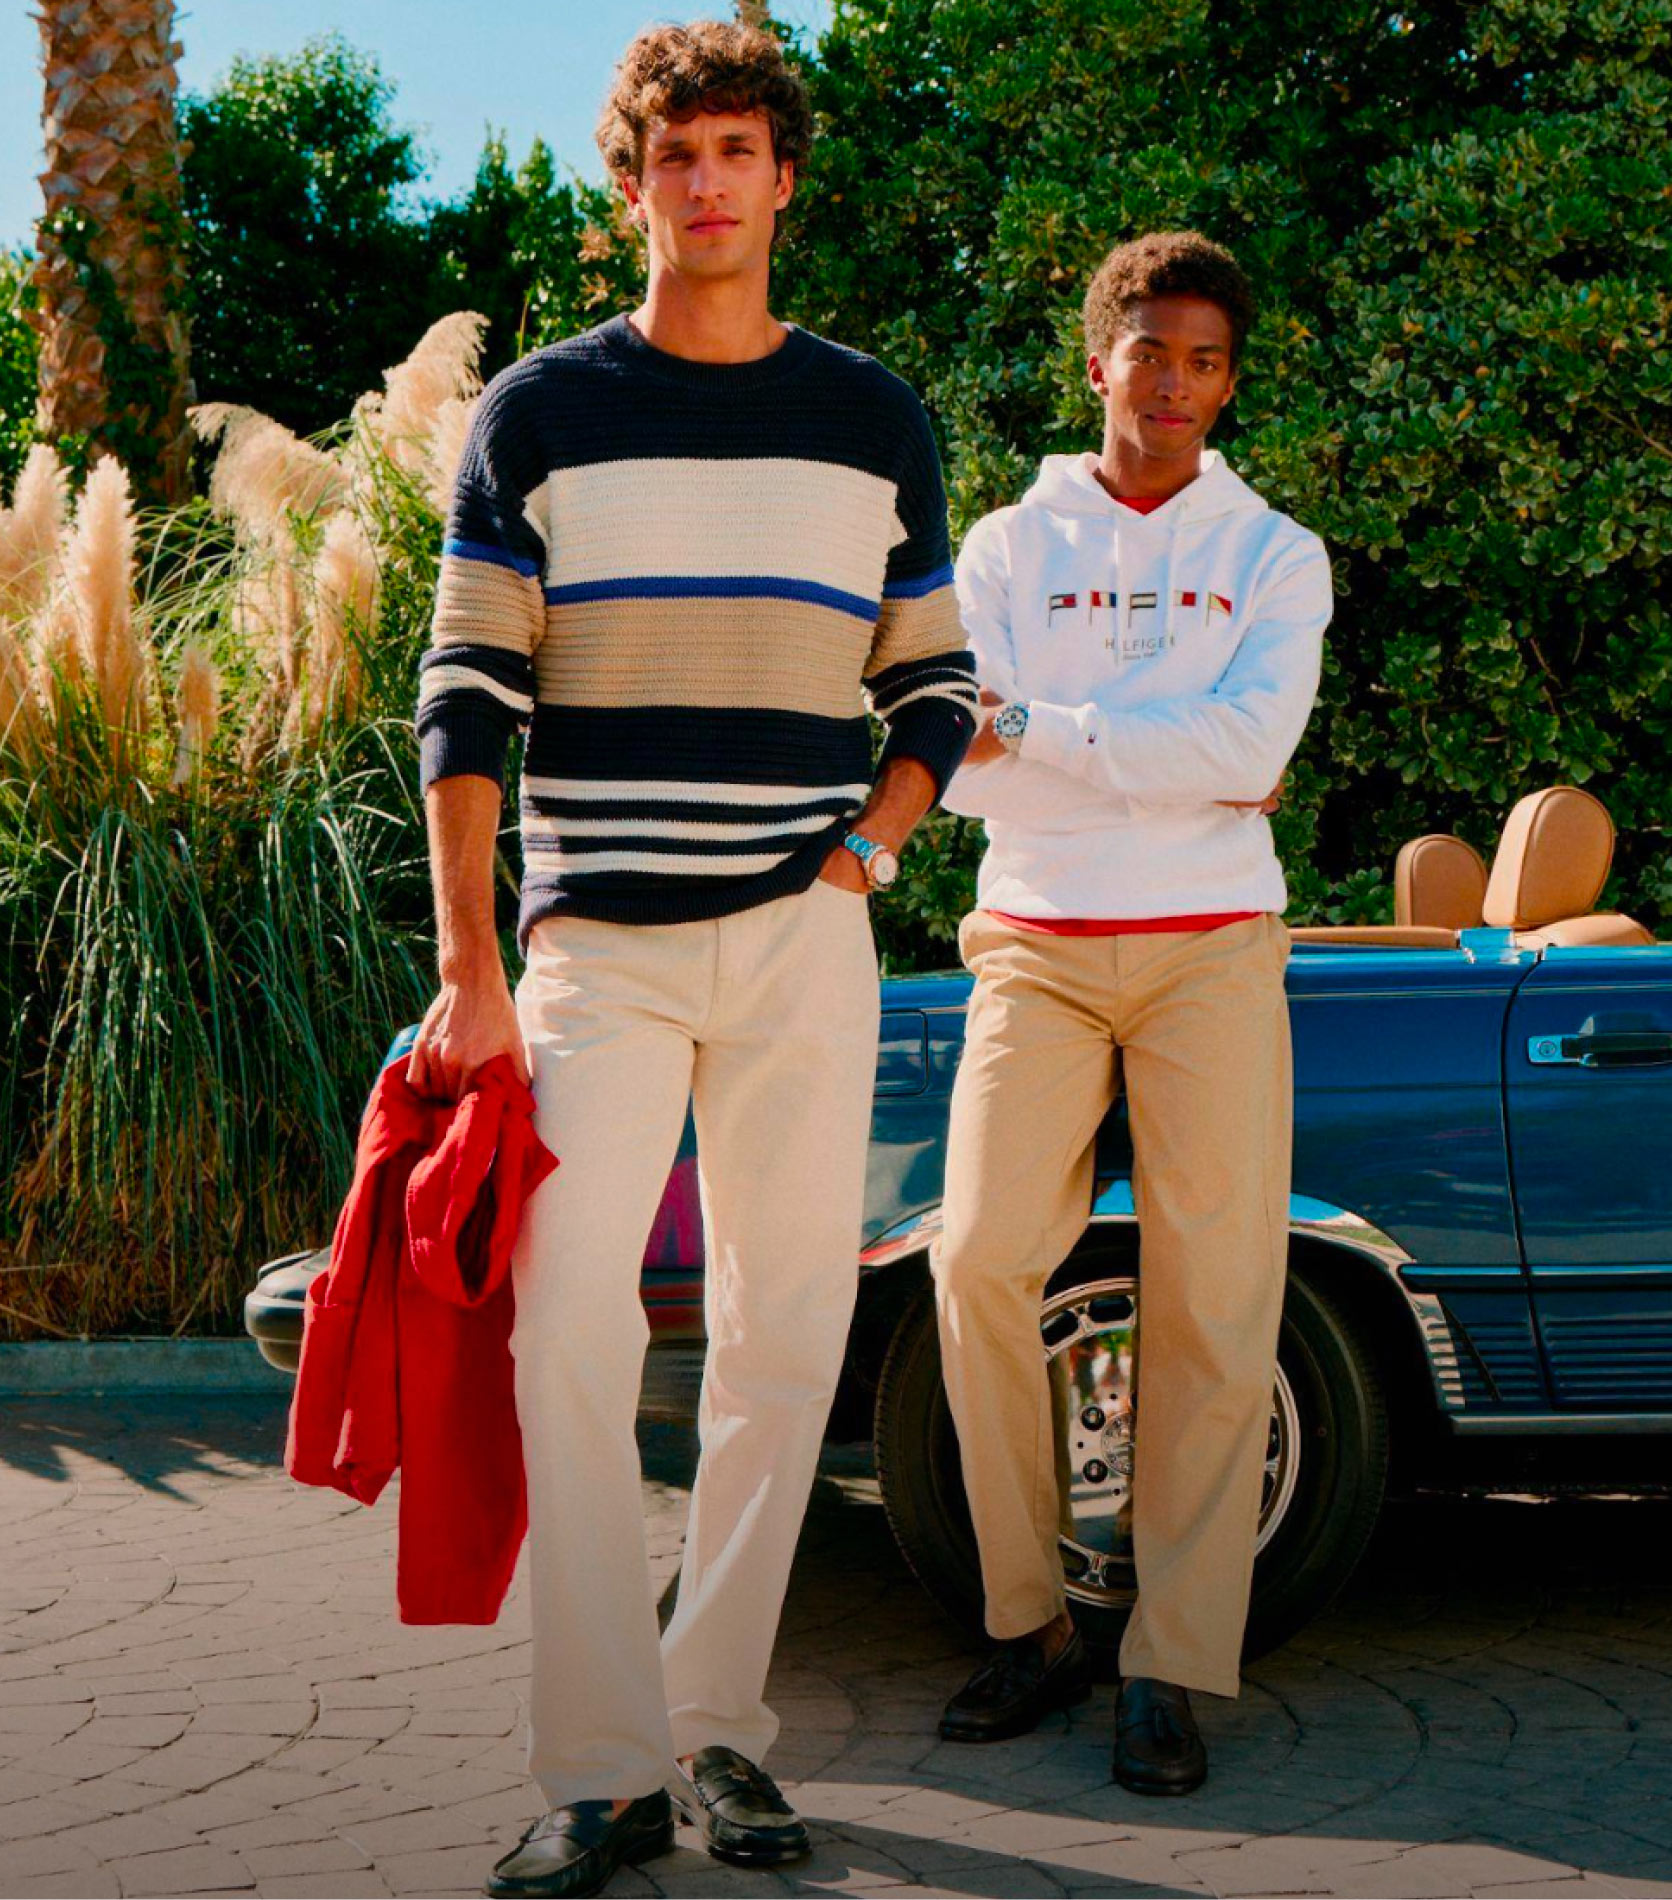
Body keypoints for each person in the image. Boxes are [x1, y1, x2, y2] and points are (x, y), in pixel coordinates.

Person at [405, 20, 977, 1898]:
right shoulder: (540, 415)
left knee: (783, 1334)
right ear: (633, 181)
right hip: (594, 955)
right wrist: (474, 970)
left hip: (804, 940)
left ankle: (721, 1729)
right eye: (680, 154)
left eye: (742, 150)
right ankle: (598, 1765)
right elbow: (467, 699)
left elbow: (936, 681)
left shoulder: (875, 418)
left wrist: (872, 851)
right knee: (566, 1332)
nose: (711, 183)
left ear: (783, 179)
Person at [931, 230, 1331, 1796]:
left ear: (1229, 384)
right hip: (1033, 936)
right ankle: (1032, 1624)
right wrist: (1160, 743)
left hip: (1215, 944)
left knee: (1220, 1298)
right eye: (1151, 350)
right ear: (1098, 358)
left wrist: (1041, 721)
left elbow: (1253, 750)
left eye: (1208, 361)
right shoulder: (1004, 546)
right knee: (973, 1260)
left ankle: (1169, 1663)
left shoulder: (1274, 552)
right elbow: (964, 766)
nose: (1176, 385)